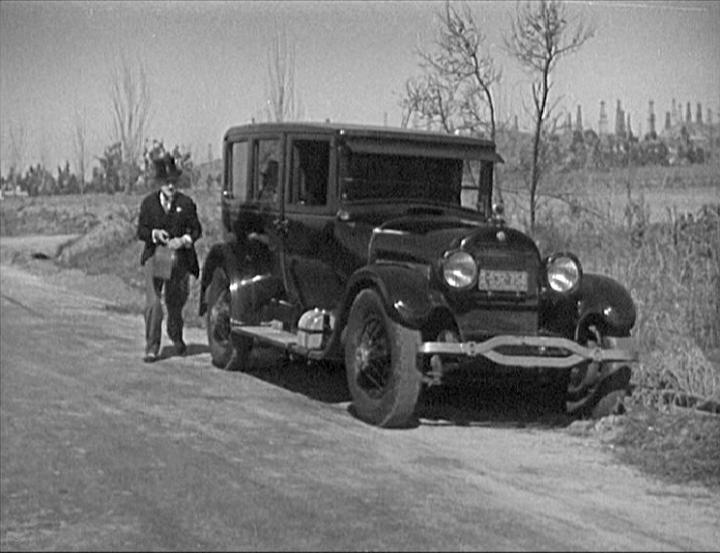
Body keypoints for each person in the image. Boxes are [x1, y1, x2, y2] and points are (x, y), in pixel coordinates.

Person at [137, 151, 202, 362]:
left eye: (173, 182)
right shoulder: (148, 204)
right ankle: (152, 346)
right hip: (154, 257)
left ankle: (176, 335)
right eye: (166, 183)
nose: (171, 187)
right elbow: (141, 231)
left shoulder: (187, 203)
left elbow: (196, 230)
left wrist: (183, 240)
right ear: (159, 184)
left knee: (175, 303)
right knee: (154, 302)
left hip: (179, 261)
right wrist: (155, 234)